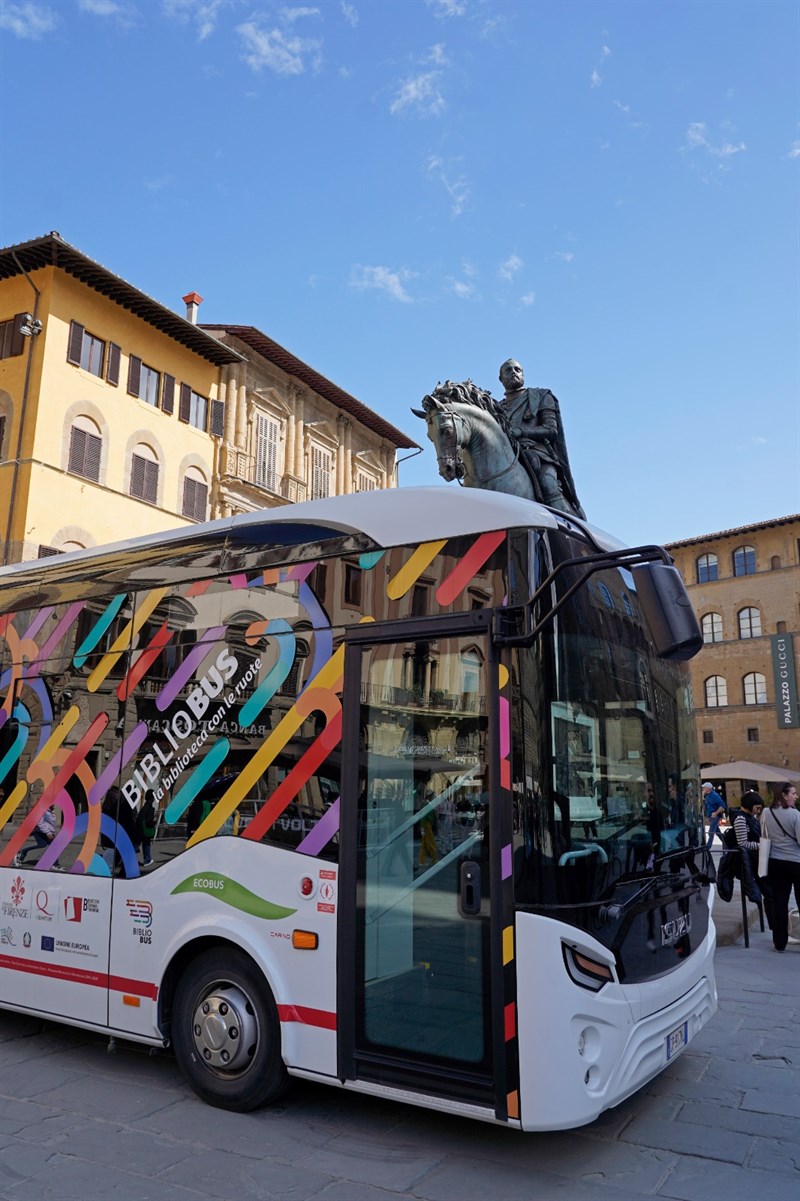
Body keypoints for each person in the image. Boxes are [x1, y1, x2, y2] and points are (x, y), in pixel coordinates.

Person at [496, 359, 585, 518]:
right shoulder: (497, 409)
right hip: (508, 455)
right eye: (508, 370)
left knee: (548, 484)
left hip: (537, 454)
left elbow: (551, 430)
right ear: (501, 379)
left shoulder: (541, 396)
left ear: (523, 374)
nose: (514, 372)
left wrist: (521, 432)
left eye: (517, 369)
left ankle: (562, 526)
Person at [762, 782, 800, 953]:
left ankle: (779, 943)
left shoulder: (765, 812)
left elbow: (764, 836)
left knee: (779, 902)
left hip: (775, 861)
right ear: (784, 795)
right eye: (793, 793)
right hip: (796, 862)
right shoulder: (795, 815)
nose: (796, 796)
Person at [15, 805, 63, 870]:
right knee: (53, 846)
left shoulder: (52, 811)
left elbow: (50, 823)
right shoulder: (43, 810)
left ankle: (22, 852)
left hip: (48, 832)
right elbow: (40, 823)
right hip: (40, 832)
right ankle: (55, 864)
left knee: (45, 845)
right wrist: (48, 832)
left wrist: (51, 832)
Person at [135, 789, 157, 866]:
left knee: (136, 844)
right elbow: (148, 822)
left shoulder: (144, 807)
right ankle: (147, 860)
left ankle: (125, 859)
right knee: (146, 844)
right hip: (145, 830)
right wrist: (154, 823)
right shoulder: (150, 809)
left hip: (139, 829)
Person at [703, 781, 727, 849]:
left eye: (704, 787)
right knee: (717, 831)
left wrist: (715, 813)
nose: (703, 789)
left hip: (715, 816)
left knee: (711, 832)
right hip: (711, 816)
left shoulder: (715, 795)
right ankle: (726, 844)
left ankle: (708, 847)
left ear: (708, 788)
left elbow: (723, 805)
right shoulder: (707, 796)